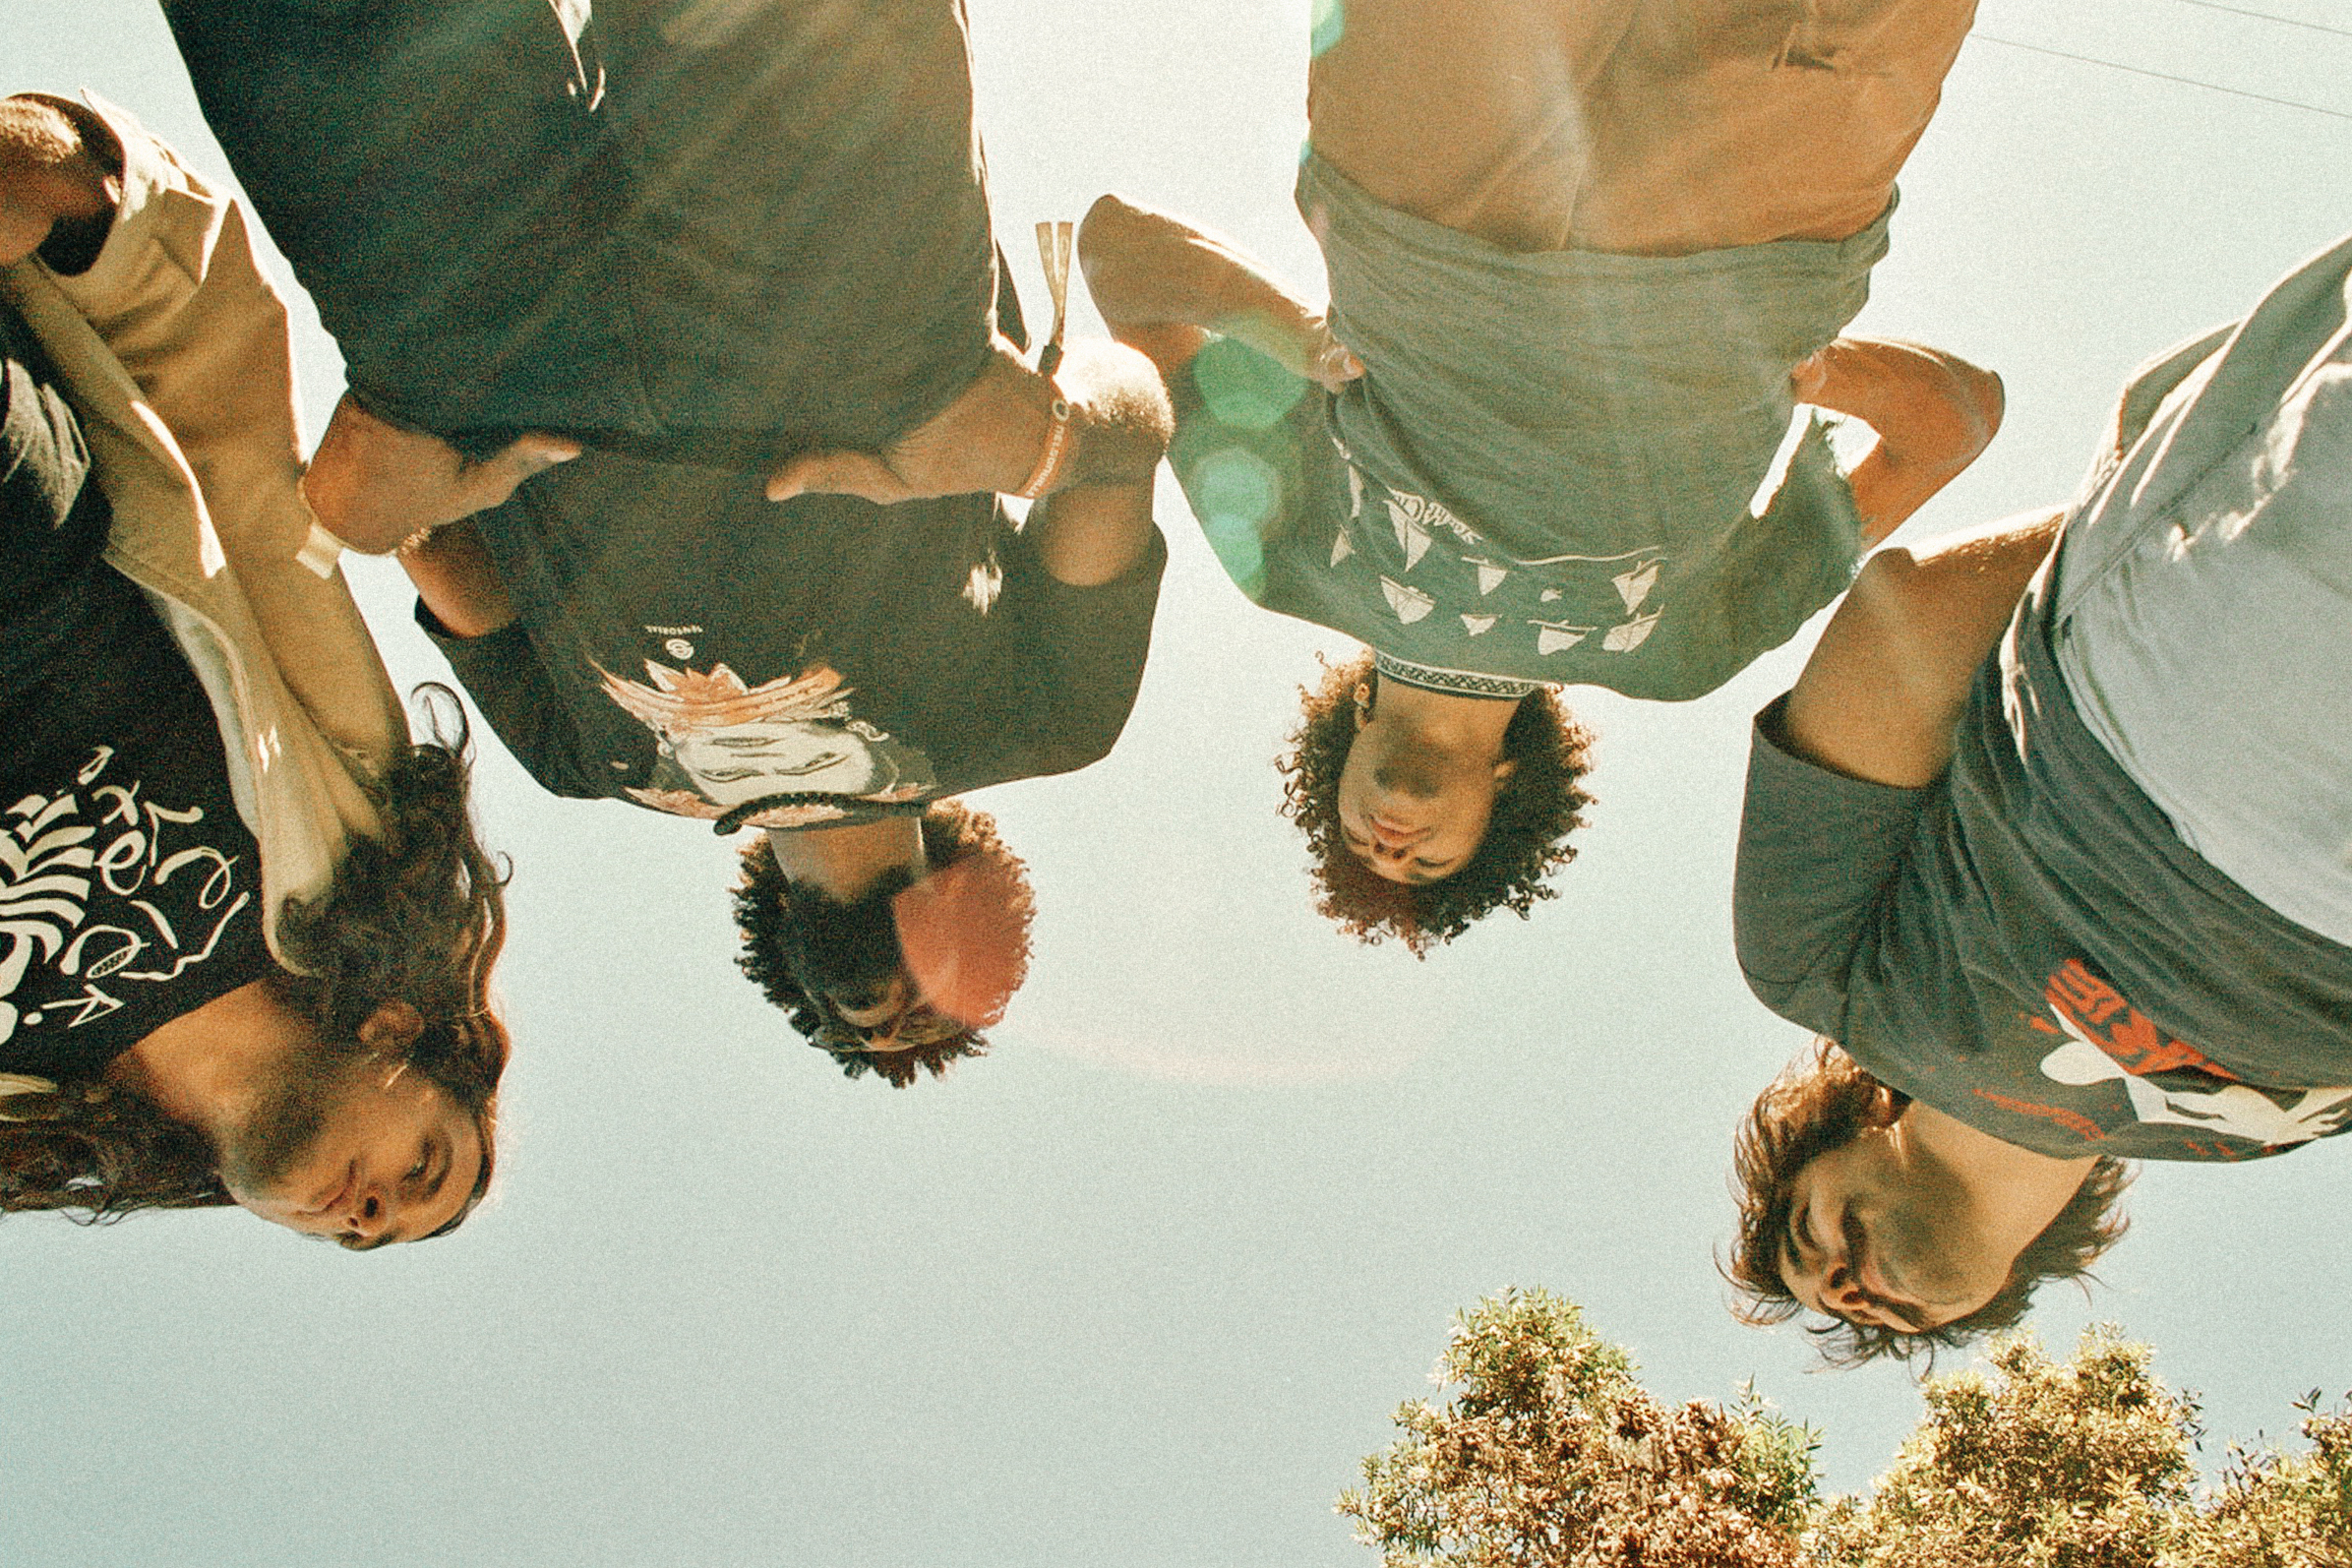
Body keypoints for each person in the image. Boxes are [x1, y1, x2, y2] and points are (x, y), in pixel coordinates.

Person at [159, 0, 1173, 1079]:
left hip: (495, 342)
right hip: (830, 328)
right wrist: (1036, 434)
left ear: (788, 976)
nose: (894, 1027)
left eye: (853, 1037)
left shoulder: (580, 764)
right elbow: (1135, 428)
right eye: (953, 1015)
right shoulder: (1046, 722)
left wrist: (369, 510)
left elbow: (437, 554)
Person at [1079, 0, 2002, 950]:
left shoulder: (1280, 566)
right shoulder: (1678, 658)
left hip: (1422, 199)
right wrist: (1820, 371)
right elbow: (1957, 425)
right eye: (1426, 863)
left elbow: (1119, 255)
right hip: (1755, 225)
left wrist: (1302, 339)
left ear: (1339, 760)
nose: (1390, 848)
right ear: (1506, 800)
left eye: (1361, 846)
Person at [1723, 226, 2352, 1363]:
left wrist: (2160, 511)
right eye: (1856, 1315)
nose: (1837, 1285)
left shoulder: (1830, 978)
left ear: (1848, 1126)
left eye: (1800, 1239)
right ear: (1992, 1297)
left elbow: (1899, 630)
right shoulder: (2248, 1146)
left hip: (2197, 706)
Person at [0, 93, 510, 1241]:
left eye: (360, 1234)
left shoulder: (25, 1111)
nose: (365, 1207)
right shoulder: (336, 840)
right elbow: (245, 476)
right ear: (399, 1036)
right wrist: (93, 209)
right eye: (422, 1164)